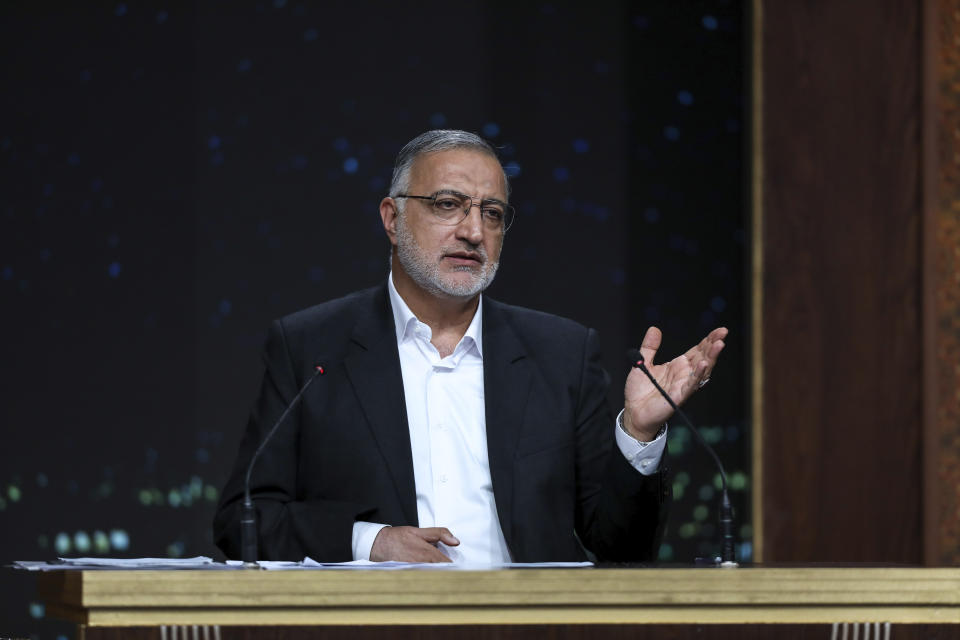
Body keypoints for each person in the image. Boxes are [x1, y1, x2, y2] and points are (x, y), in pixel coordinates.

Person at [213, 129, 726, 564]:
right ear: (392, 219)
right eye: (447, 205)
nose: (474, 231)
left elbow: (620, 549)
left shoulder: (562, 353)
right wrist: (371, 541)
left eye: (493, 213)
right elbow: (244, 520)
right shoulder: (311, 347)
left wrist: (638, 432)